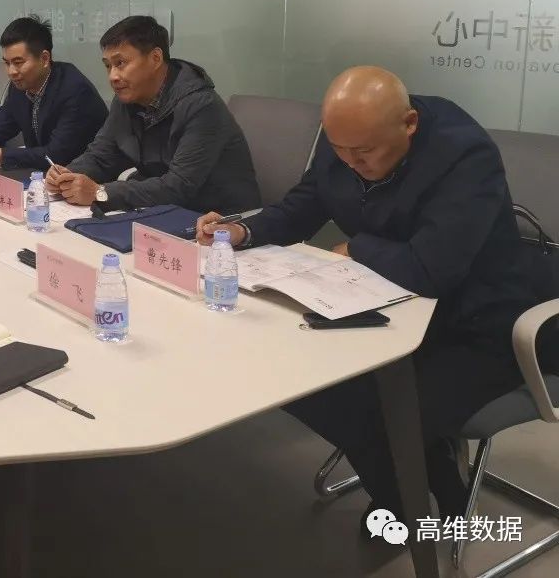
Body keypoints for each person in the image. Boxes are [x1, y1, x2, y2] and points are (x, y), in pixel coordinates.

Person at [196, 66, 540, 528]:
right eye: (339, 151)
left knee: (379, 408)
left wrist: (357, 248)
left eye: (363, 153)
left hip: (476, 322)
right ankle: (416, 480)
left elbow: (431, 270)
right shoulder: (347, 137)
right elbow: (304, 204)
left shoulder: (463, 155)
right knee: (296, 378)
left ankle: (428, 500)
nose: (350, 162)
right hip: (384, 304)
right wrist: (242, 231)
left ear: (409, 124)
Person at [46, 16, 259, 213]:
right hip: (159, 211)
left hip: (218, 221)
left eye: (120, 63)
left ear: (156, 58)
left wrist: (101, 192)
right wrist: (67, 175)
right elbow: (102, 157)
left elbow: (179, 186)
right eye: (108, 66)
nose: (113, 76)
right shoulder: (127, 100)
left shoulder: (201, 106)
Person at [0, 16, 107, 170]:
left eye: (18, 63)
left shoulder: (75, 90)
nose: (11, 71)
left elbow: (55, 156)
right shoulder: (20, 86)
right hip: (43, 177)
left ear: (44, 59)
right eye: (7, 63)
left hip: (83, 178)